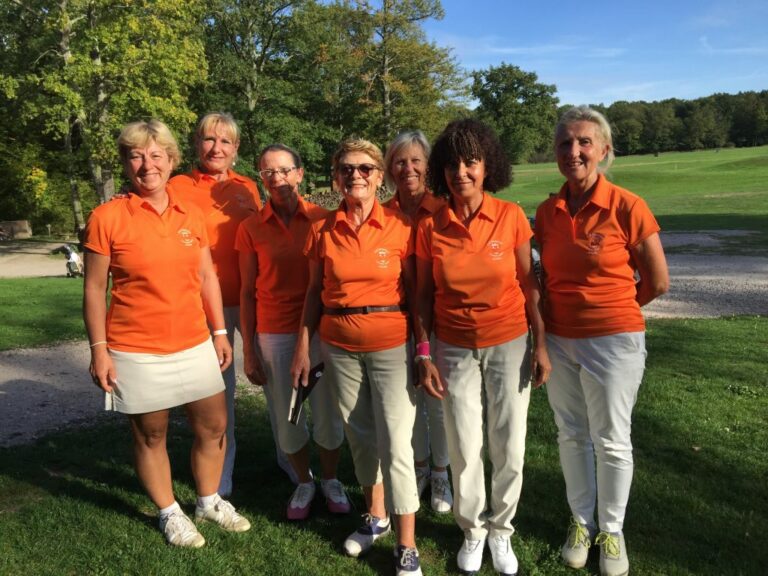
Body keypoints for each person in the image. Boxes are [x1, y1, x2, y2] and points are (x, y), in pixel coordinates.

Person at [83, 119, 251, 548]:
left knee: (214, 426)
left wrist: (219, 332)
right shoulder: (106, 217)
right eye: (136, 156)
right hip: (135, 347)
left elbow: (207, 276)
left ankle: (208, 501)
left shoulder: (190, 213)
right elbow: (94, 289)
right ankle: (169, 511)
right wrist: (99, 350)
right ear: (125, 163)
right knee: (151, 434)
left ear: (171, 160)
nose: (147, 165)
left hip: (194, 340)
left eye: (156, 155)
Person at [535, 106, 669, 576]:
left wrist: (614, 311)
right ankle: (581, 522)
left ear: (604, 150)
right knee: (571, 433)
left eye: (584, 142)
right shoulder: (547, 212)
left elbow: (657, 281)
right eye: (564, 143)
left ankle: (612, 531)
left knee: (611, 438)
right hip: (559, 339)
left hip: (613, 342)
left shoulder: (627, 206)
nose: (573, 151)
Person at [415, 118, 551, 576]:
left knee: (509, 443)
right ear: (441, 171)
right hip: (453, 347)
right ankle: (473, 529)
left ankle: (501, 529)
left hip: (509, 342)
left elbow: (529, 285)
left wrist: (540, 343)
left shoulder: (511, 216)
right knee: (464, 443)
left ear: (487, 165)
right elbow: (422, 296)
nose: (461, 172)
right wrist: (423, 352)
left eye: (471, 162)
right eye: (452, 164)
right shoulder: (430, 226)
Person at [291, 138, 423, 576]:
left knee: (396, 442)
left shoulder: (401, 226)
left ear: (379, 177)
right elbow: (314, 292)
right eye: (346, 169)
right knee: (361, 436)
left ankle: (406, 544)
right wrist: (304, 346)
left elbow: (416, 293)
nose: (356, 176)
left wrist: (423, 348)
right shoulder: (322, 230)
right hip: (340, 345)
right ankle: (376, 517)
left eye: (365, 168)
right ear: (336, 177)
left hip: (391, 344)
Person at [170, 112, 296, 496]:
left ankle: (292, 458)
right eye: (209, 139)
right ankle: (221, 474)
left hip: (255, 299)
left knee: (276, 383)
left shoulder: (249, 188)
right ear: (197, 143)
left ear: (236, 148)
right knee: (219, 393)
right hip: (205, 304)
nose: (216, 148)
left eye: (225, 141)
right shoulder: (177, 186)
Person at [236, 143, 349, 521]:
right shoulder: (251, 228)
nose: (277, 178)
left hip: (321, 330)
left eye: (284, 170)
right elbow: (247, 291)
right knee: (288, 415)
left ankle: (330, 479)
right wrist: (249, 350)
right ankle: (304, 481)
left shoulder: (322, 219)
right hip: (275, 334)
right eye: (268, 172)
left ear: (299, 174)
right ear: (261, 179)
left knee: (328, 411)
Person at [383, 130, 452, 514]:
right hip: (395, 320)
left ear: (428, 165)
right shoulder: (384, 213)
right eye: (399, 161)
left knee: (436, 399)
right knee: (407, 400)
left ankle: (441, 471)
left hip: (437, 319)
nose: (407, 168)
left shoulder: (442, 208)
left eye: (415, 161)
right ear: (390, 168)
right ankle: (420, 465)